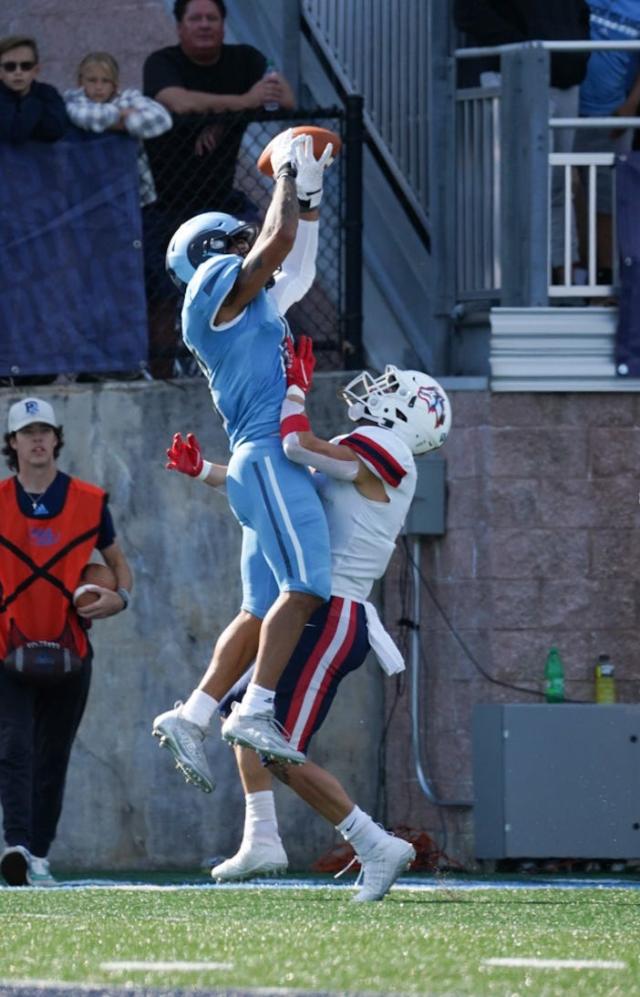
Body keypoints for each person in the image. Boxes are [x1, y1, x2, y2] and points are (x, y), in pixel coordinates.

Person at [157, 339, 452, 901]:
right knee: (244, 720)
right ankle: (262, 836)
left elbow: (293, 446)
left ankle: (374, 843)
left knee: (274, 743)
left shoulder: (390, 448)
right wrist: (208, 474)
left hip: (333, 613)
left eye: (394, 389)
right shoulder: (358, 447)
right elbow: (289, 487)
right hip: (314, 608)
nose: (379, 390)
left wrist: (294, 390)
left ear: (409, 412)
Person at [153, 129, 335, 765]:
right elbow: (275, 242)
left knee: (261, 607)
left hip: (256, 468)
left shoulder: (247, 308)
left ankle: (193, 713)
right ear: (211, 254)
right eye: (234, 242)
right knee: (308, 586)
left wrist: (308, 192)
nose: (246, 246)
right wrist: (284, 169)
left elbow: (298, 265)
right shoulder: (212, 291)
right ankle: (255, 709)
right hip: (267, 462)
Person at [0, 397, 133, 887]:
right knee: (12, 746)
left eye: (44, 430)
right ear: (12, 444)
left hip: (69, 648)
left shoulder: (88, 501)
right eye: (26, 432)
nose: (37, 439)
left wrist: (120, 599)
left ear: (57, 438)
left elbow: (120, 568)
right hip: (6, 643)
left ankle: (38, 855)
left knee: (52, 755)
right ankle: (15, 845)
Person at [142, 0, 295, 377]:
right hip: (168, 202)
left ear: (224, 24)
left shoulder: (244, 59)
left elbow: (285, 99)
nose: (205, 25)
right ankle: (160, 371)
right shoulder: (163, 61)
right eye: (195, 18)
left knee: (257, 275)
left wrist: (224, 116)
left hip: (225, 203)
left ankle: (255, 364)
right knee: (162, 294)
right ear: (179, 26)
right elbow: (174, 100)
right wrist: (242, 103)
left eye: (212, 18)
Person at [454, 1, 591, 281]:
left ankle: (563, 282)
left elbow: (578, 12)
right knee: (515, 186)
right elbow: (468, 12)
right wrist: (527, 51)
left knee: (559, 185)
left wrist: (576, 50)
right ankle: (513, 283)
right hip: (513, 78)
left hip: (564, 79)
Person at [575, 3, 640, 301]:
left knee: (606, 201)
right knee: (567, 194)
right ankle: (572, 276)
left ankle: (603, 282)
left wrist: (628, 109)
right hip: (565, 104)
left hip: (611, 115)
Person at [64, 51, 172, 208]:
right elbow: (82, 115)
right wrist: (119, 114)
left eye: (105, 81)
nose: (98, 87)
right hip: (87, 186)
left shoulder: (128, 98)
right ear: (81, 82)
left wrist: (126, 124)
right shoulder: (73, 100)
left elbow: (162, 119)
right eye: (92, 80)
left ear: (115, 84)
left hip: (128, 186)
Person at [0, 35, 68, 144]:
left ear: (36, 70)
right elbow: (14, 134)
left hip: (42, 160)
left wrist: (29, 100)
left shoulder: (48, 93)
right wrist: (34, 104)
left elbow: (56, 130)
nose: (18, 72)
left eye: (26, 66)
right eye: (10, 66)